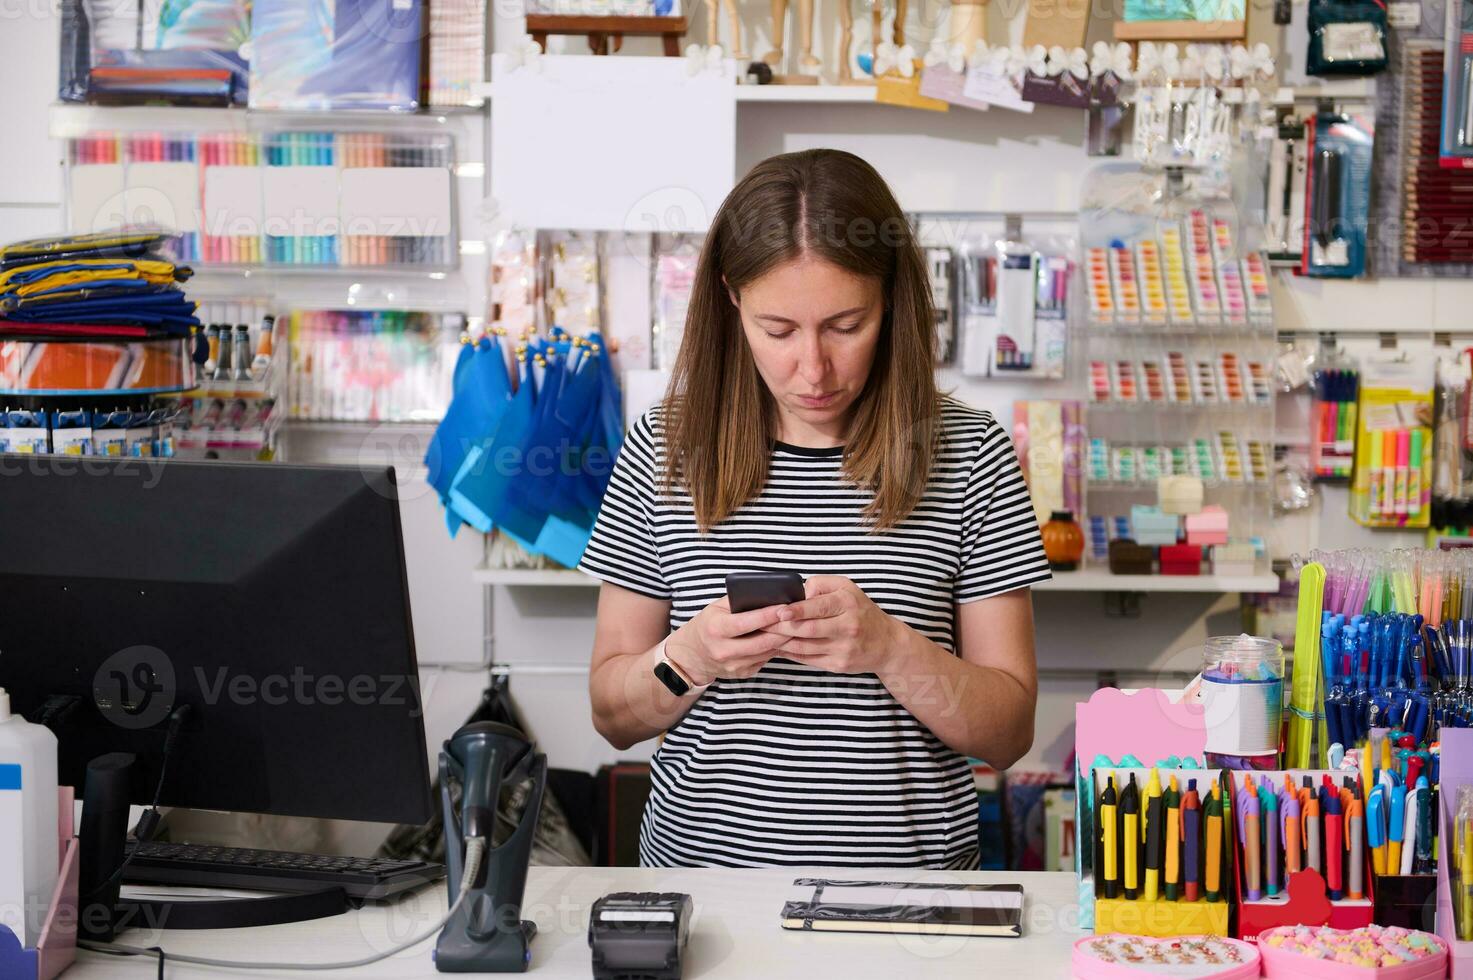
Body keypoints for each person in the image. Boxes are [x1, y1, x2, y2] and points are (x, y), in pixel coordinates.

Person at [579, 148, 1050, 869]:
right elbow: (611, 717)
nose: (813, 368)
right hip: (708, 900)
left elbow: (1007, 731)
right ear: (731, 300)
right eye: (778, 331)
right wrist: (690, 656)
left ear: (890, 298)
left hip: (910, 908)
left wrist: (890, 648)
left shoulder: (969, 453)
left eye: (844, 325)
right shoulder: (663, 448)